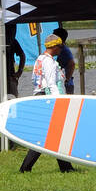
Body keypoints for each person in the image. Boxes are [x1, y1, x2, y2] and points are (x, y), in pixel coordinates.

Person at [19, 33, 74, 173]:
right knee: (46, 134)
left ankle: (65, 167)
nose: (61, 50)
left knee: (54, 133)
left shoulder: (40, 59)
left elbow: (34, 80)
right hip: (49, 98)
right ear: (54, 47)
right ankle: (25, 168)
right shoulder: (49, 62)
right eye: (60, 47)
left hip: (40, 95)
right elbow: (51, 83)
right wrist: (59, 101)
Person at [53, 26, 76, 94]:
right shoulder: (59, 49)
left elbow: (72, 64)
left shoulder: (64, 50)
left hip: (66, 83)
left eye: (53, 36)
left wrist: (67, 79)